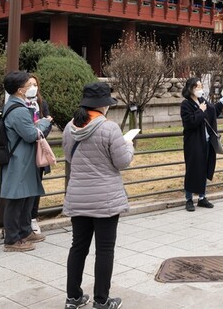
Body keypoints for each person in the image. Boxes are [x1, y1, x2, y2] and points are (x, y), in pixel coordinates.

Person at [64, 82, 133, 309]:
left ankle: (73, 297)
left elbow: (69, 157)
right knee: (104, 249)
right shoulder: (109, 128)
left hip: (78, 195)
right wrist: (129, 146)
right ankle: (102, 300)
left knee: (78, 247)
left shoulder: (69, 127)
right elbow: (122, 162)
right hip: (105, 198)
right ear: (104, 105)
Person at [0, 71, 52, 252]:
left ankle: (24, 231)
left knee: (26, 196)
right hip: (19, 160)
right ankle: (12, 240)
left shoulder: (15, 106)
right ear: (20, 89)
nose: (32, 88)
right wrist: (45, 123)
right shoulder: (19, 109)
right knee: (17, 199)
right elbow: (31, 134)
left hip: (24, 159)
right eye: (28, 85)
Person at [180, 77, 223, 212]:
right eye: (197, 87)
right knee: (192, 169)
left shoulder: (202, 101)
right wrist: (200, 111)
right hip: (193, 143)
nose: (200, 89)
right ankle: (189, 199)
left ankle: (202, 197)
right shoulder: (186, 104)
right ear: (191, 89)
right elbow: (190, 123)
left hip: (206, 142)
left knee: (204, 167)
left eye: (201, 86)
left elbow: (212, 111)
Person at [25, 74, 52, 234]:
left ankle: (33, 218)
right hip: (26, 150)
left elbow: (48, 123)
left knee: (37, 184)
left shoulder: (41, 104)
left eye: (35, 84)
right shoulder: (20, 105)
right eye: (29, 85)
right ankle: (24, 219)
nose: (33, 88)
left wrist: (40, 128)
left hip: (39, 149)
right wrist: (38, 126)